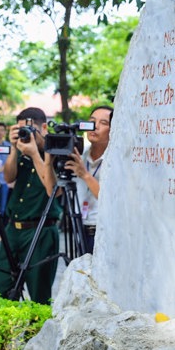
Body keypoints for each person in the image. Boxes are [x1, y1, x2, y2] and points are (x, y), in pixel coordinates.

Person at [0, 108, 60, 303]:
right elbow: (8, 177)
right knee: (3, 288)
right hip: (13, 228)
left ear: (44, 127)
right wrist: (15, 147)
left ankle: (37, 333)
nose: (27, 135)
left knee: (39, 293)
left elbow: (53, 190)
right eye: (22, 131)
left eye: (30, 131)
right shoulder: (20, 147)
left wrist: (34, 154)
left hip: (40, 231)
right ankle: (6, 332)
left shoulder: (56, 148)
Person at [60, 105, 112, 254]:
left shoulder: (116, 162)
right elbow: (52, 191)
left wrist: (85, 175)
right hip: (79, 229)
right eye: (92, 121)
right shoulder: (79, 156)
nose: (95, 126)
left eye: (103, 123)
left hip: (104, 232)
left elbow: (110, 201)